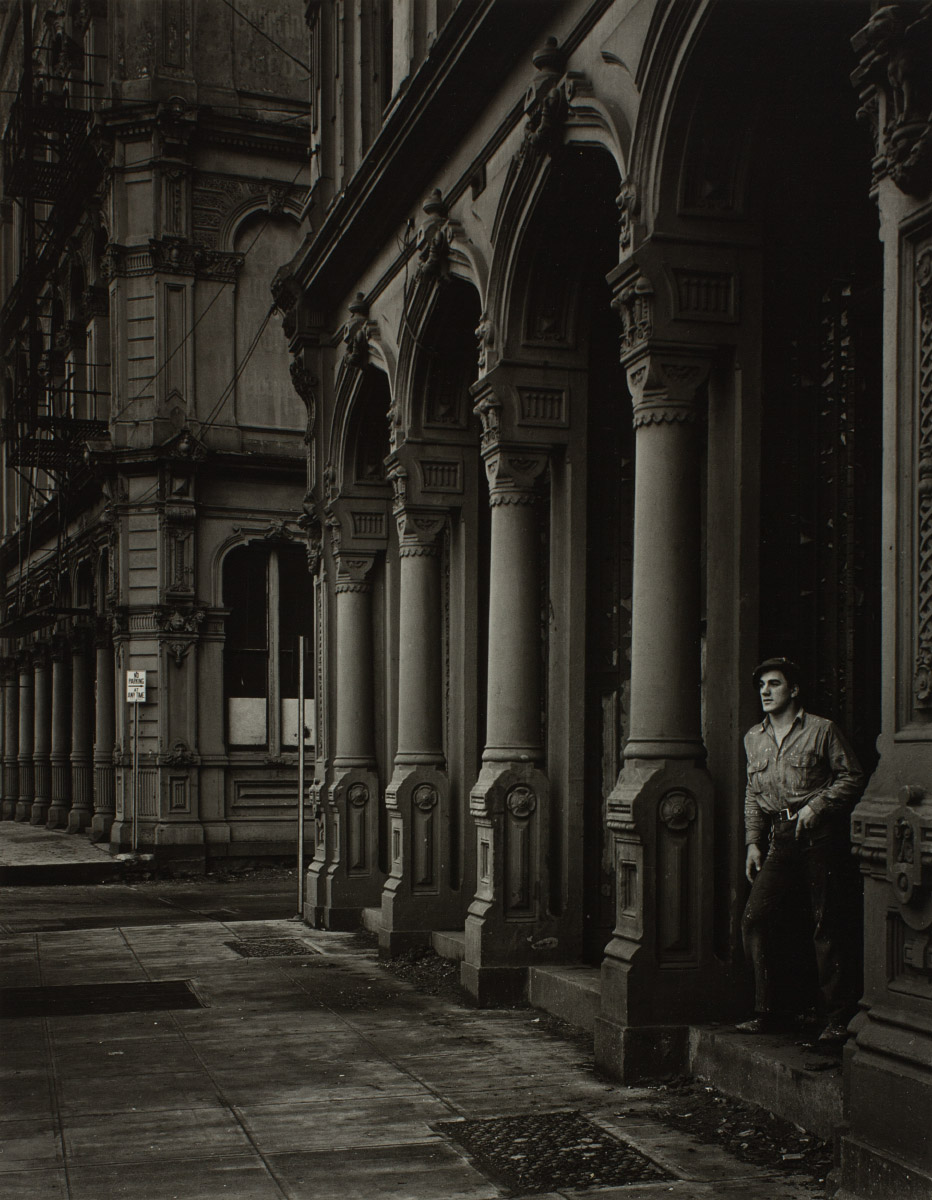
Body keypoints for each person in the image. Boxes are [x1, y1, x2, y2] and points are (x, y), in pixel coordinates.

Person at [738, 656, 865, 1044]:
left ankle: (838, 1018)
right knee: (756, 920)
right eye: (762, 685)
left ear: (793, 690)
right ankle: (770, 1011)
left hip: (818, 836)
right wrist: (752, 842)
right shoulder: (753, 738)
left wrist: (817, 806)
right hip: (779, 837)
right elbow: (752, 793)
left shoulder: (821, 730)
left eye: (774, 684)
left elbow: (852, 776)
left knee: (825, 924)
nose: (765, 691)